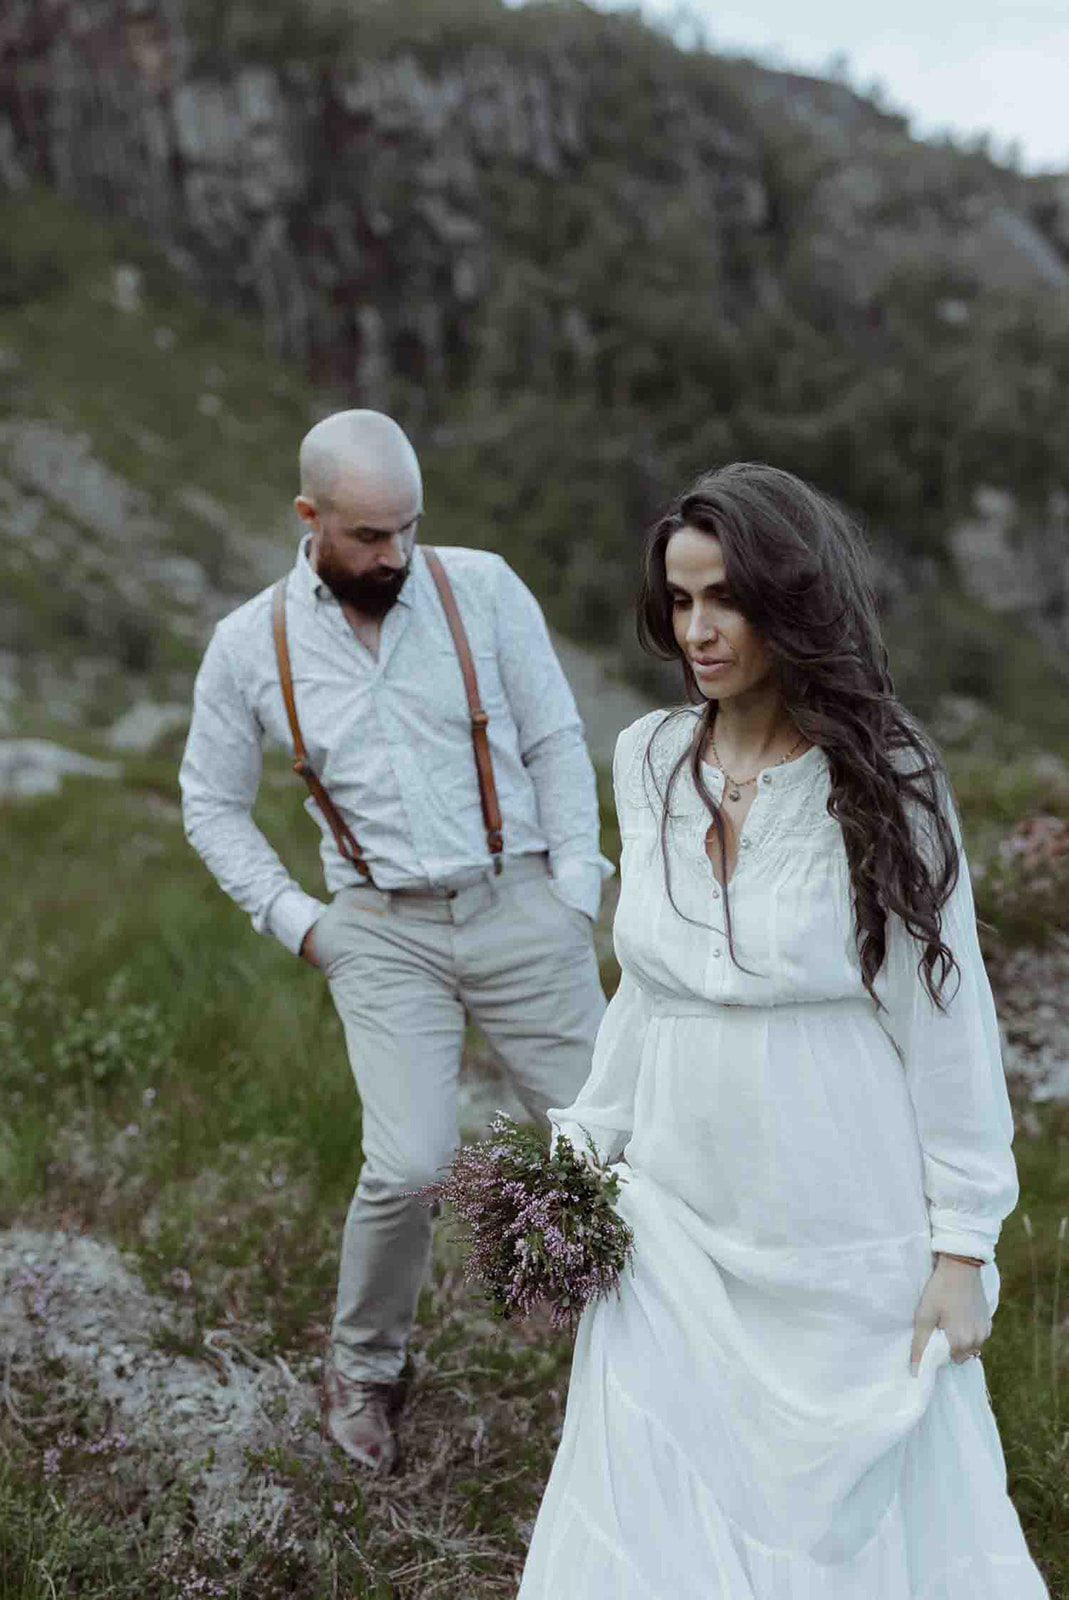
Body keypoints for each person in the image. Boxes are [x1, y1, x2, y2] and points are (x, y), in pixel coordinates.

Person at [518, 463, 1048, 1598]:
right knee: (655, 1481)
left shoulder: (886, 778)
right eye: (678, 600)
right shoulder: (649, 758)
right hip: (671, 1203)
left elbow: (946, 1020)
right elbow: (645, 989)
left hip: (832, 1206)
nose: (697, 631)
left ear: (789, 600)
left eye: (724, 599)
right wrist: (578, 1154)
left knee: (839, 1517)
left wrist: (962, 1245)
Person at [179, 409, 609, 1473]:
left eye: (408, 528)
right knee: (408, 1160)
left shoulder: (487, 588)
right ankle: (364, 1367)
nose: (395, 554)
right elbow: (209, 805)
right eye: (370, 536)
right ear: (309, 517)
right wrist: (302, 924)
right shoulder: (247, 647)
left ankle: (637, 1349)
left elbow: (556, 735)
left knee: (607, 1138)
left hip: (517, 902)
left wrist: (575, 888)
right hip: (377, 929)